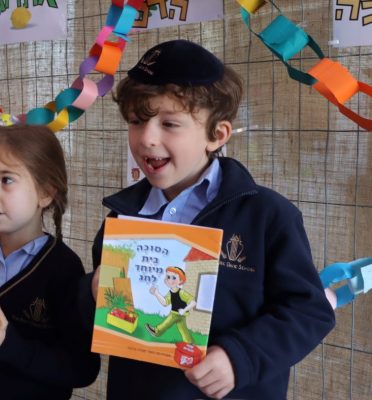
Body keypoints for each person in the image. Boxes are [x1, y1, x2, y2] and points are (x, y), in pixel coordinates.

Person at [86, 40, 336, 399]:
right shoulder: (123, 217)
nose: (147, 138)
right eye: (137, 121)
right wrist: (91, 294)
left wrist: (241, 357)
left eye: (169, 123)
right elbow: (104, 315)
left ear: (216, 135)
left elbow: (309, 311)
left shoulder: (267, 216)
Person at [0, 125, 100, 399]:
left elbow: (82, 369)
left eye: (7, 180)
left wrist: (8, 346)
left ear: (46, 193)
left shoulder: (64, 269)